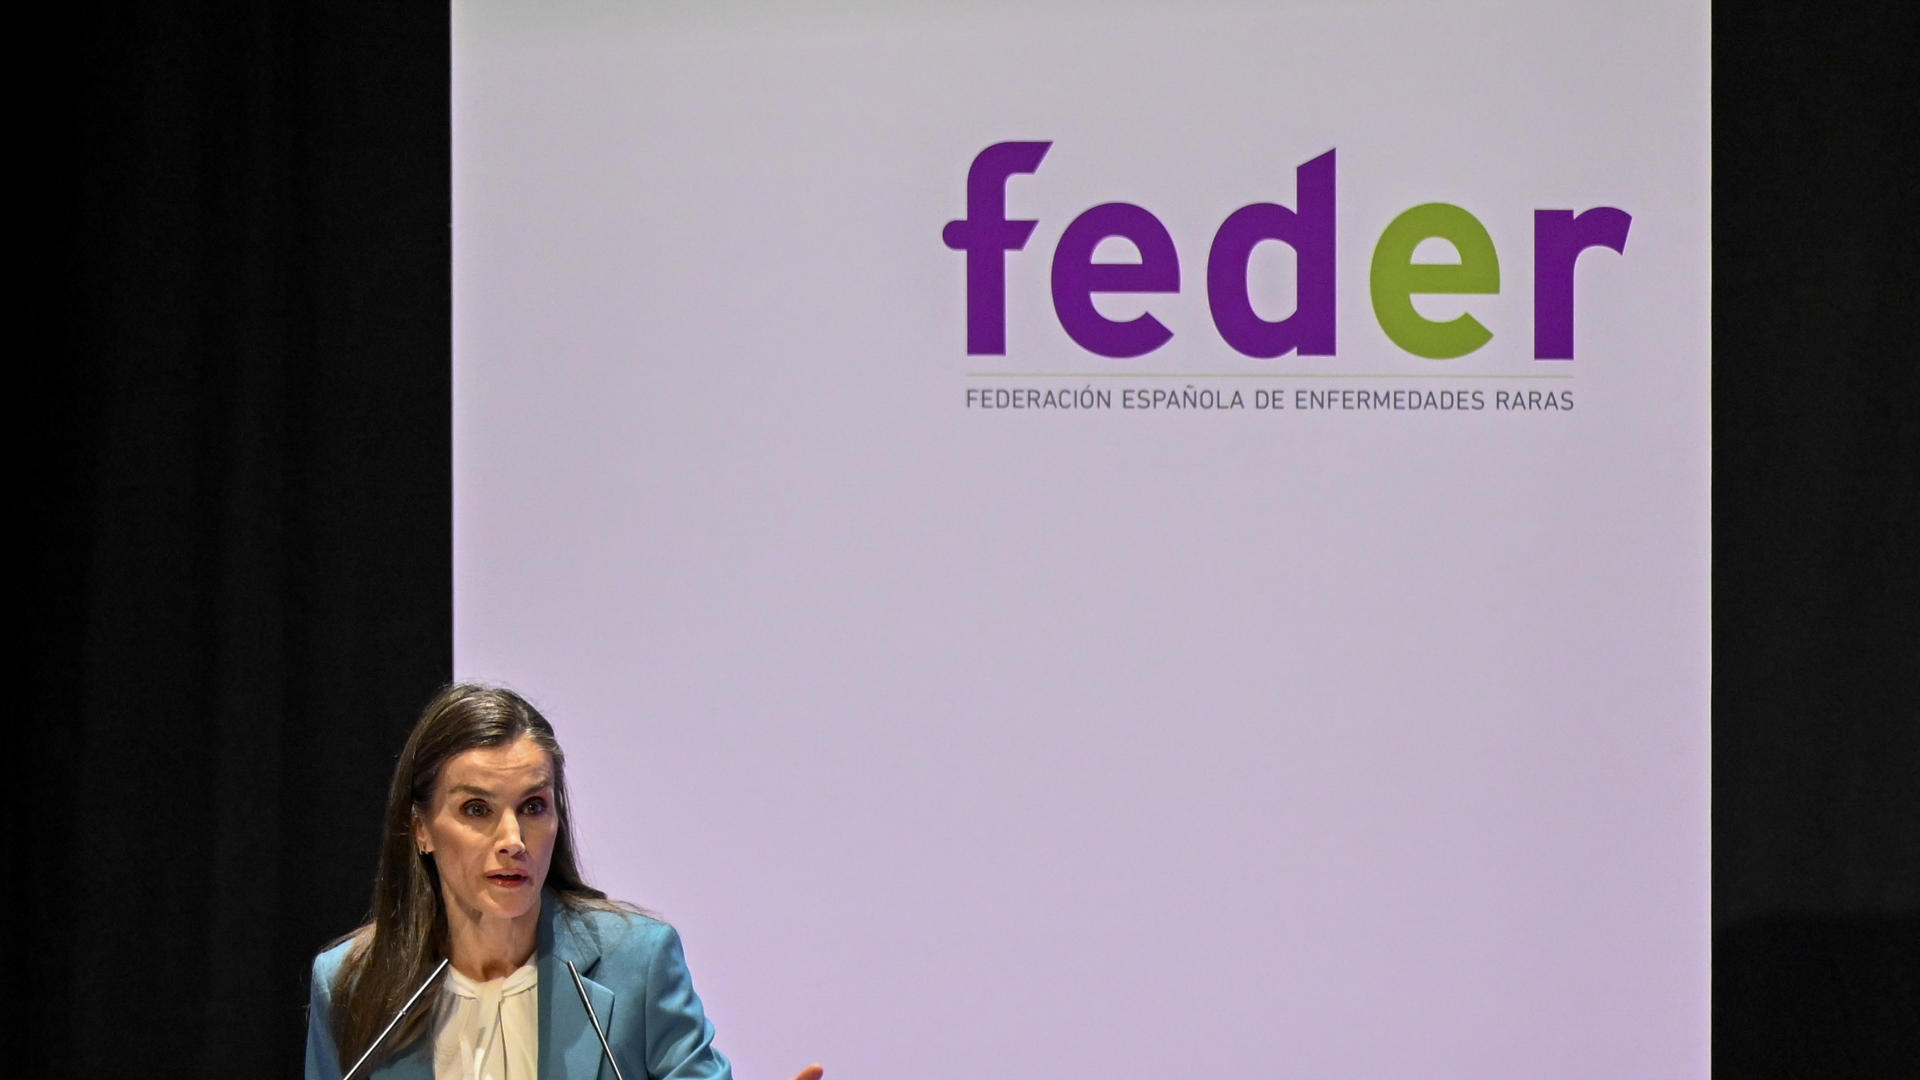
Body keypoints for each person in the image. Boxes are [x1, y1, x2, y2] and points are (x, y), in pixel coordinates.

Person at [306, 684, 822, 1080]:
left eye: (533, 807)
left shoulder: (637, 963)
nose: (513, 839)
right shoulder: (351, 983)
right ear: (421, 829)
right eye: (477, 809)